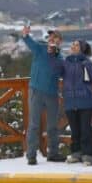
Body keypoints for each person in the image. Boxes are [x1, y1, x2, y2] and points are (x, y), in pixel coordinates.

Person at [21, 25, 66, 165]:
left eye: (56, 37)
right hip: (36, 91)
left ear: (60, 42)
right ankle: (31, 155)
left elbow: (62, 72)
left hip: (52, 93)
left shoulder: (60, 57)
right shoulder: (40, 48)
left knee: (52, 126)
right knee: (34, 124)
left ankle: (53, 153)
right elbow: (29, 42)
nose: (53, 39)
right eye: (51, 37)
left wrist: (55, 55)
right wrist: (25, 35)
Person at [52, 39, 92, 166]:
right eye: (72, 44)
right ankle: (76, 153)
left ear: (82, 49)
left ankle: (88, 156)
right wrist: (56, 56)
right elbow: (56, 71)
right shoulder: (66, 62)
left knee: (86, 130)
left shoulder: (87, 62)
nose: (73, 46)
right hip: (70, 101)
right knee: (75, 130)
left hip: (86, 102)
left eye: (76, 45)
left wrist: (87, 64)